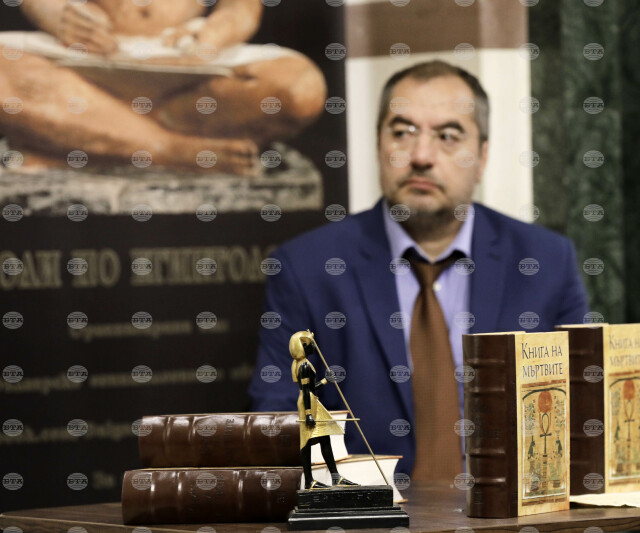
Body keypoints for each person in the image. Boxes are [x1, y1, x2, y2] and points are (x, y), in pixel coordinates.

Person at [249, 60, 589, 478]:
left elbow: (582, 415)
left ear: (482, 157)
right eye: (402, 132)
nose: (421, 156)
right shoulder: (308, 268)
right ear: (378, 145)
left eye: (448, 136)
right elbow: (279, 420)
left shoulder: (544, 262)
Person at [0, 0, 325, 174]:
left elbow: (241, 6)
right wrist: (58, 15)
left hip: (187, 67)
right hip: (86, 61)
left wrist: (212, 36)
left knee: (301, 89)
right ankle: (174, 150)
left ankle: (90, 135)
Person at [289, 330, 357, 490]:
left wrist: (326, 380)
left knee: (324, 439)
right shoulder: (304, 365)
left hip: (310, 401)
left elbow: (310, 388)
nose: (314, 346)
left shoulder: (301, 363)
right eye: (311, 344)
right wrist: (308, 414)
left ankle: (335, 477)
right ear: (303, 346)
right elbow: (307, 391)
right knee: (306, 443)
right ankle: (309, 481)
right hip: (309, 404)